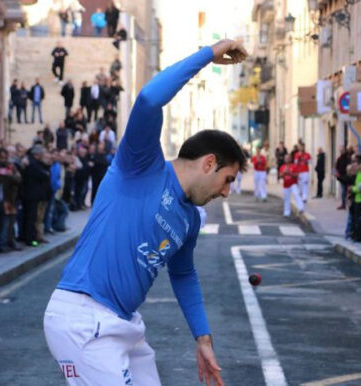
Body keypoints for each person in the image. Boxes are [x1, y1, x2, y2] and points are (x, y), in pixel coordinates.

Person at [43, 39, 248, 386]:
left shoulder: (192, 218)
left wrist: (203, 339)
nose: (226, 192)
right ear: (209, 163)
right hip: (82, 316)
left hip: (125, 322)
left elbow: (184, 275)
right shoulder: (141, 165)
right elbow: (150, 99)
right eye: (227, 180)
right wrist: (209, 54)